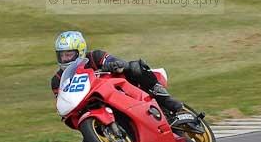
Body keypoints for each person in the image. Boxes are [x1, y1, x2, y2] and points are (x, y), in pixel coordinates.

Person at [51, 30, 183, 115]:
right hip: (91, 107)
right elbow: (63, 102)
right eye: (62, 55)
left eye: (69, 54)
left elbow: (116, 61)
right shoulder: (57, 79)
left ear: (80, 51)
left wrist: (114, 64)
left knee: (135, 66)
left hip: (119, 89)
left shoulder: (95, 56)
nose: (65, 58)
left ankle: (165, 99)